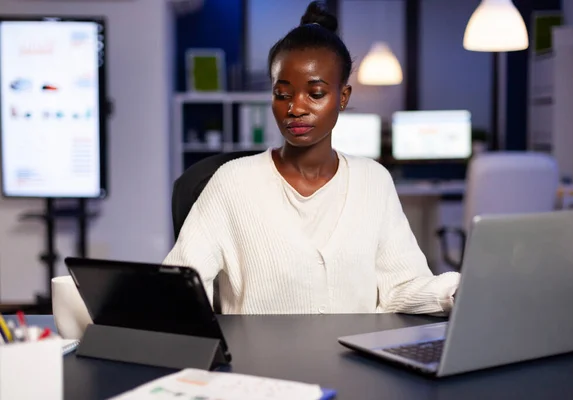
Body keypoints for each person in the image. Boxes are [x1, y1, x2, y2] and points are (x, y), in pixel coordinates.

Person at [164, 1, 460, 315]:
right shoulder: (232, 182)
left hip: (354, 359)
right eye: (283, 94)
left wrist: (457, 292)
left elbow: (402, 287)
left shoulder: (373, 180)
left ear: (342, 97)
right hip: (258, 362)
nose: (296, 108)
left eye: (315, 93)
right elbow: (178, 286)